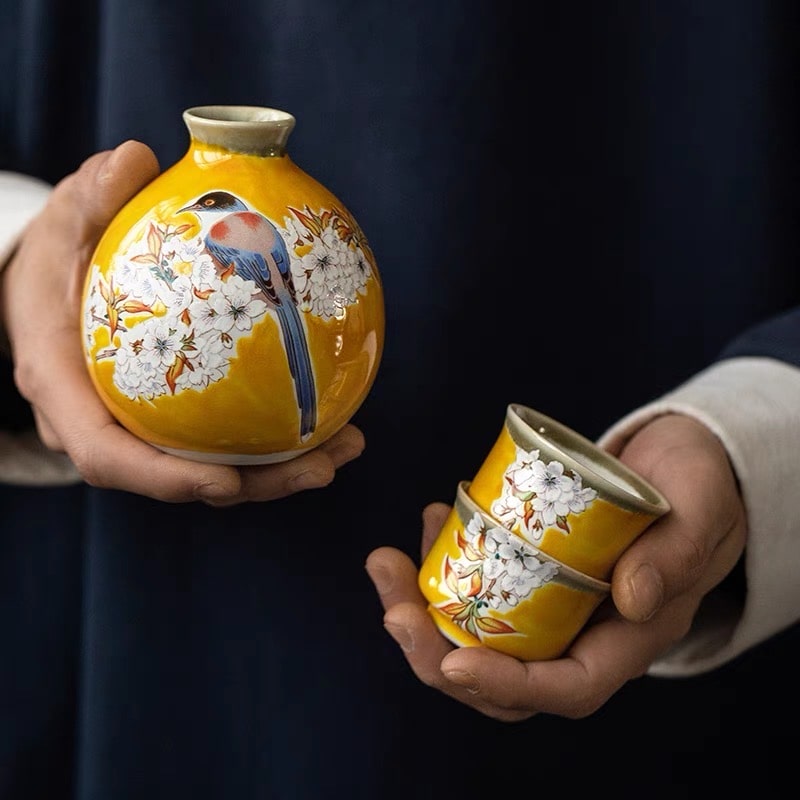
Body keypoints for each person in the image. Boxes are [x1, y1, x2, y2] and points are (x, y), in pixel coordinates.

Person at [2, 2, 799, 798]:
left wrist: (760, 427)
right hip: (98, 562)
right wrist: (17, 258)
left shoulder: (249, 230)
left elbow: (273, 283)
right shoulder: (218, 233)